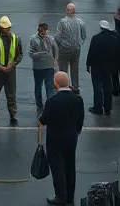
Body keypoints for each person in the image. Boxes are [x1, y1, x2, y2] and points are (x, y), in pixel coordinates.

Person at [39, 70, 84, 206]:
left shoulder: (52, 101)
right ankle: (70, 196)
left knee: (58, 167)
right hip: (71, 138)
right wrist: (76, 131)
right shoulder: (78, 99)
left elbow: (44, 119)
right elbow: (80, 120)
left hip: (55, 140)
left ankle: (60, 196)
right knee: (70, 167)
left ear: (56, 84)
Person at [0, 15, 23, 125]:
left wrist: (12, 65)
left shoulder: (16, 39)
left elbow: (20, 54)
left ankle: (13, 113)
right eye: (6, 28)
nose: (8, 30)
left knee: (11, 93)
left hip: (10, 71)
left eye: (9, 28)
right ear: (0, 28)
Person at [86, 20, 119, 115]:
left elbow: (91, 53)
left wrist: (88, 64)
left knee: (97, 86)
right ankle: (108, 107)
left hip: (96, 66)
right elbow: (117, 55)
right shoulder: (114, 39)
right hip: (108, 66)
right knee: (108, 86)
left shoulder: (96, 38)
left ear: (101, 28)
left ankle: (98, 107)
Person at [55, 3, 87, 93]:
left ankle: (63, 86)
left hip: (64, 49)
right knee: (75, 68)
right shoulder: (80, 22)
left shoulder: (62, 22)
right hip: (76, 49)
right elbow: (84, 35)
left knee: (63, 68)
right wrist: (79, 43)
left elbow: (58, 36)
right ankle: (75, 87)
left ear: (67, 11)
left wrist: (59, 46)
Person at [29, 21, 58, 111]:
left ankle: (50, 102)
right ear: (38, 29)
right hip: (38, 67)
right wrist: (42, 54)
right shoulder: (33, 39)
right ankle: (39, 103)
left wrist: (55, 61)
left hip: (49, 66)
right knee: (38, 85)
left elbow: (55, 50)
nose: (43, 32)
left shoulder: (50, 39)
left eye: (44, 30)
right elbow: (31, 53)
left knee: (49, 85)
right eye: (41, 30)